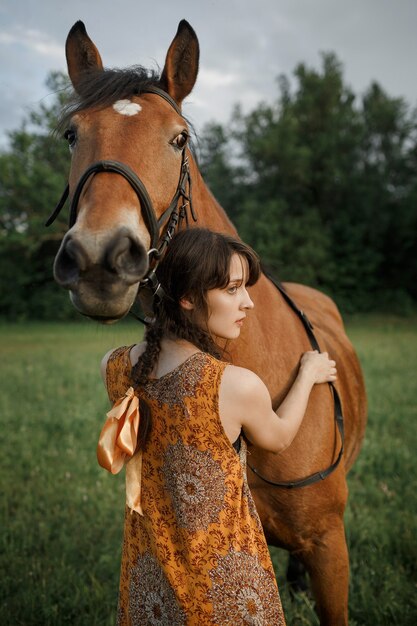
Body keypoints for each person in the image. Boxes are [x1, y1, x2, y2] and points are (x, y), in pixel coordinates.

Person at [98, 227, 337, 626]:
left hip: (149, 581)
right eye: (232, 290)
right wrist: (307, 376)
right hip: (224, 585)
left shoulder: (115, 366)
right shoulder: (234, 385)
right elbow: (277, 439)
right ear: (189, 298)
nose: (248, 303)